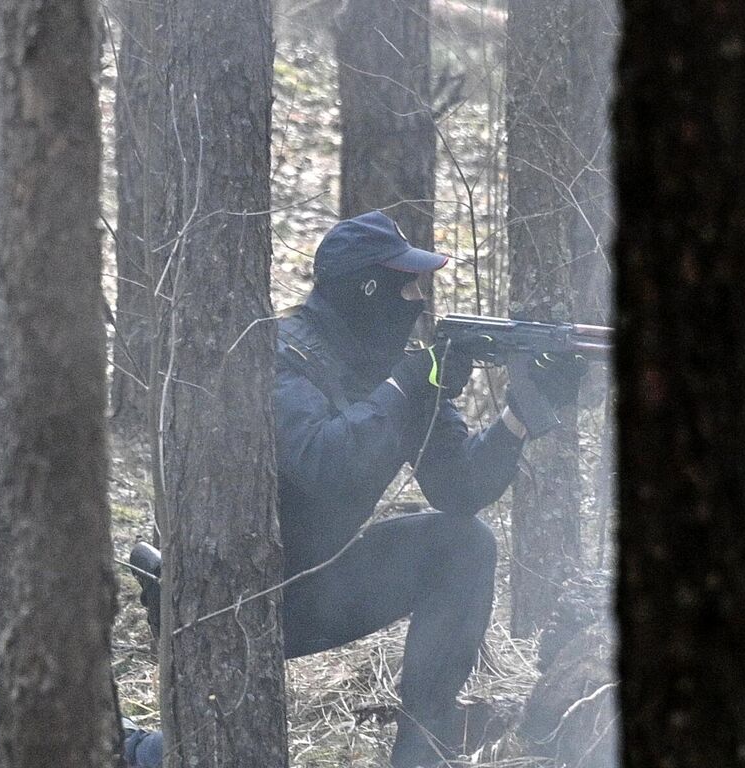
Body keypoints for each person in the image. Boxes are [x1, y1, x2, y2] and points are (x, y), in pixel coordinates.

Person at [124, 211, 586, 767]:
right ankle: (126, 747)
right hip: (231, 601)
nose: (419, 300)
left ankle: (421, 752)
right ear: (368, 289)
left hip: (315, 588)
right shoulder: (278, 353)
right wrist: (408, 385)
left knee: (464, 546)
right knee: (203, 756)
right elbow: (326, 461)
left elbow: (458, 488)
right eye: (408, 284)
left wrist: (521, 414)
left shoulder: (397, 365)